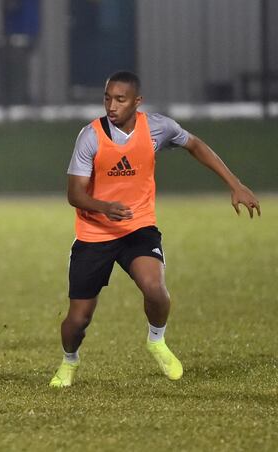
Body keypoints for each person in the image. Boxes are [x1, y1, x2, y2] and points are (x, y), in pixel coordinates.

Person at [49, 71, 261, 388]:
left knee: (155, 289)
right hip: (95, 235)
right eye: (107, 98)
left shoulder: (159, 127)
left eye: (120, 99)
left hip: (139, 227)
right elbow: (74, 194)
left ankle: (156, 340)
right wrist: (106, 207)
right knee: (78, 320)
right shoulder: (90, 136)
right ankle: (69, 361)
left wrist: (236, 184)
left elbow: (196, 145)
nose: (111, 105)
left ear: (137, 102)